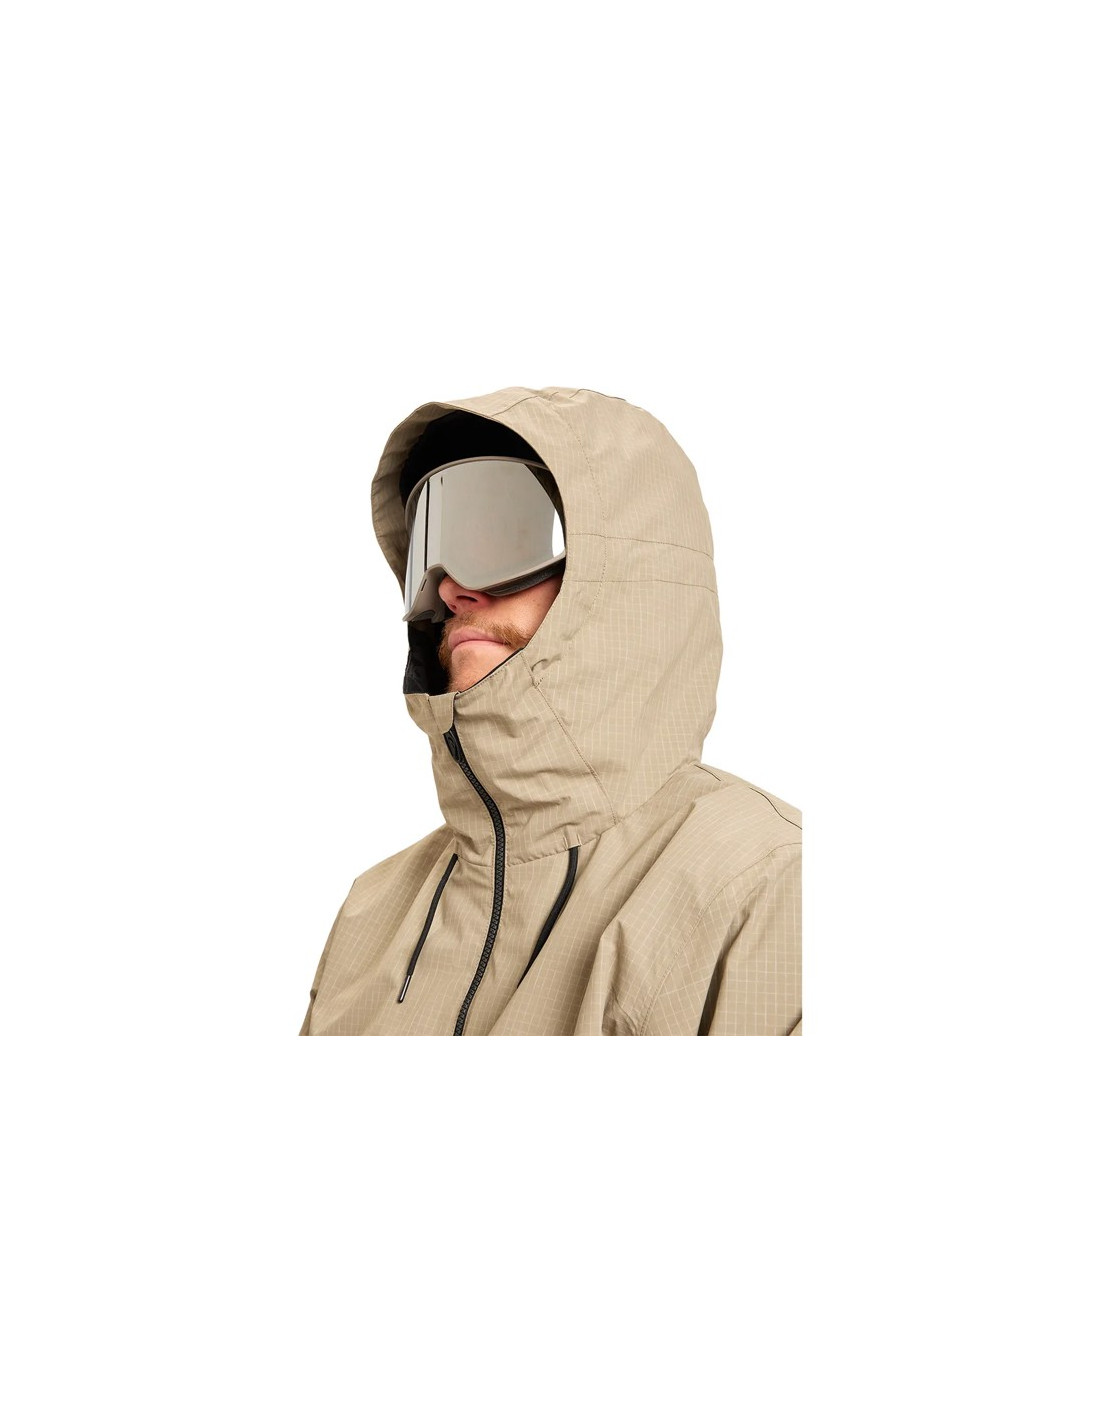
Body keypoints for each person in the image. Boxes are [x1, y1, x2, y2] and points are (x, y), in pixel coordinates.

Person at [300, 386, 801, 1036]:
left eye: (508, 538)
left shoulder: (769, 889)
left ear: (621, 579)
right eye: (436, 547)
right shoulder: (371, 914)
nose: (451, 589)